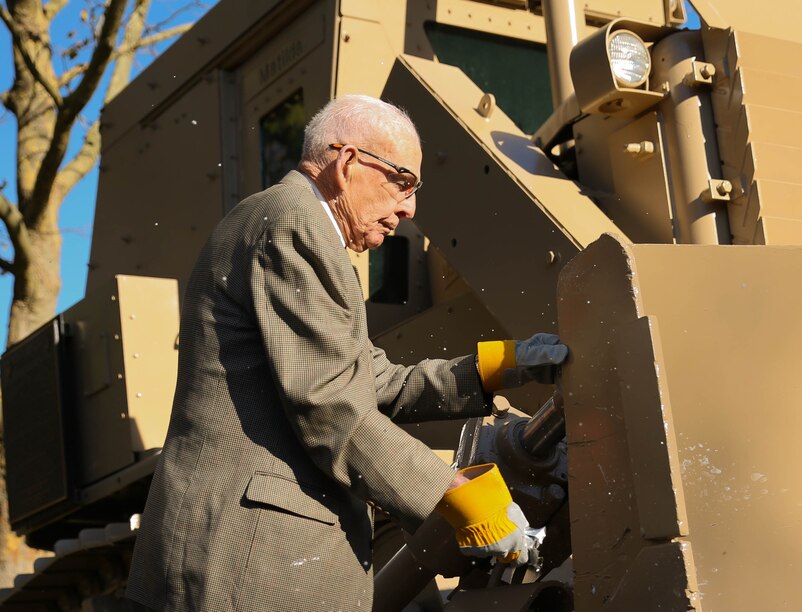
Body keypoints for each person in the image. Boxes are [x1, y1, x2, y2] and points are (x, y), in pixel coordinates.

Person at [126, 95, 567, 611]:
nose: (410, 208)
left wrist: (499, 368)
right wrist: (461, 498)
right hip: (250, 561)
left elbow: (370, 381)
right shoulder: (295, 223)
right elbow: (329, 404)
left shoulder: (295, 227)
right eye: (403, 182)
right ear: (348, 163)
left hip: (251, 557)